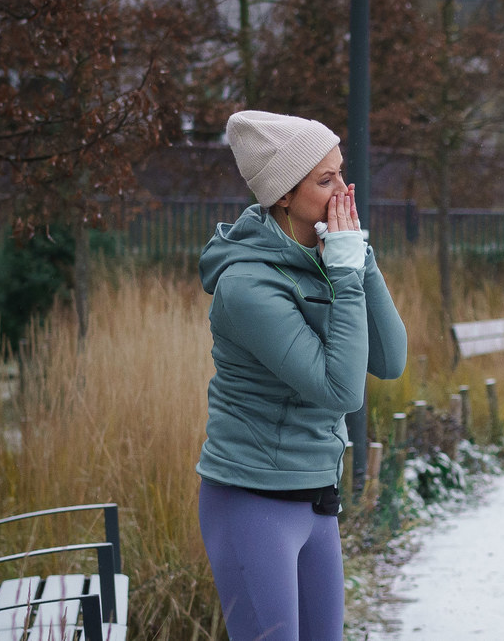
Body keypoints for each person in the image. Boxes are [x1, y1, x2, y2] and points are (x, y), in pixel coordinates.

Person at [196, 110, 407, 640]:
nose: (343, 191)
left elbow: (389, 360)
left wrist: (359, 256)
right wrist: (343, 271)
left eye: (341, 173)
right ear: (284, 195)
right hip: (253, 503)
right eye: (325, 179)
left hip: (315, 499)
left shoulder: (327, 256)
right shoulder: (246, 286)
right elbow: (340, 391)